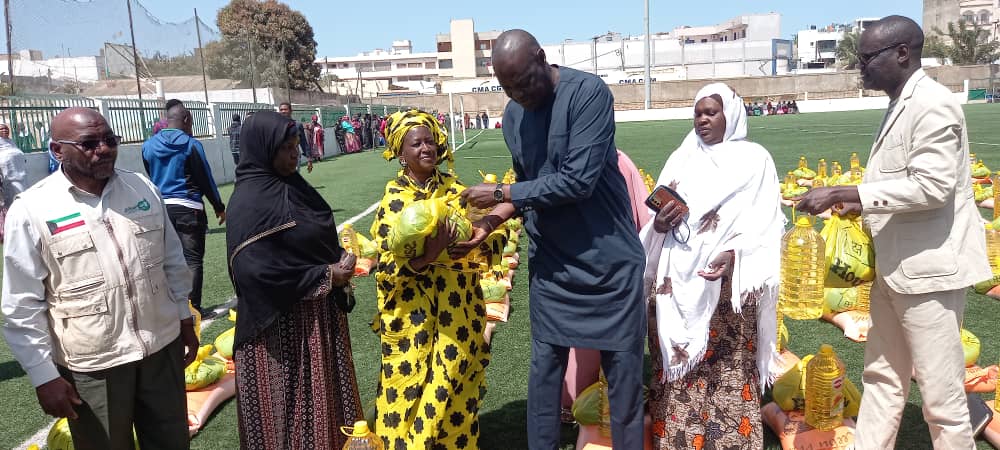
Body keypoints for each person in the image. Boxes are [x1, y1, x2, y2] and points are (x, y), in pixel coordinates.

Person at [795, 16, 990, 449]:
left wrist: (849, 191)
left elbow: (933, 186)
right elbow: (901, 183)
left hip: (929, 274)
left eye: (867, 58)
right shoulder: (902, 101)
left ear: (902, 53)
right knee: (882, 377)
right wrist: (856, 204)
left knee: (942, 397)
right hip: (895, 269)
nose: (860, 66)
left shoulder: (932, 103)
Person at [460, 29, 646, 449]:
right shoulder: (512, 116)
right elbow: (530, 187)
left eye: (525, 82)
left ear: (543, 58)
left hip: (608, 263)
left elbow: (577, 182)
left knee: (623, 384)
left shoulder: (588, 94)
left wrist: (498, 193)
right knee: (543, 374)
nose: (520, 94)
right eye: (509, 88)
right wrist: (489, 223)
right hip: (553, 266)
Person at [2, 107, 197, 449]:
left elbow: (171, 261)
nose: (103, 149)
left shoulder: (142, 188)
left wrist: (183, 316)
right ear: (57, 150)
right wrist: (43, 375)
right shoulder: (33, 209)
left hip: (160, 347)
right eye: (89, 143)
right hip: (94, 365)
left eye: (110, 140)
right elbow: (21, 304)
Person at [643, 83, 783, 449]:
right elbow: (654, 218)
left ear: (731, 116)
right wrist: (659, 224)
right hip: (677, 285)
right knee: (679, 372)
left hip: (729, 289)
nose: (702, 120)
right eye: (698, 113)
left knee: (728, 369)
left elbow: (767, 226)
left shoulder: (754, 161)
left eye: (711, 112)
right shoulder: (681, 159)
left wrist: (734, 256)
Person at [370, 109, 506, 450]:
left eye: (430, 141)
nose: (426, 148)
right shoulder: (393, 200)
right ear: (401, 153)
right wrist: (429, 255)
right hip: (410, 320)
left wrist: (474, 244)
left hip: (457, 313)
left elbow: (493, 239)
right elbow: (385, 270)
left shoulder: (458, 190)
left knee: (451, 387)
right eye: (416, 144)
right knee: (406, 389)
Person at [226, 111, 361, 449]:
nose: (294, 155)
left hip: (316, 323)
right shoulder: (251, 201)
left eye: (294, 146)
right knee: (283, 416)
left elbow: (313, 239)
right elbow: (253, 272)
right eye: (284, 148)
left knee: (322, 407)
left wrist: (335, 264)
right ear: (262, 150)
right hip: (274, 331)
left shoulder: (294, 188)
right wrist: (325, 274)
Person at [560, 148, 650, 422]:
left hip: (593, 263)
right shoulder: (616, 160)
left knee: (591, 337)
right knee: (599, 338)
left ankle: (581, 402)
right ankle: (596, 402)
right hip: (603, 264)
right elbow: (643, 217)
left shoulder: (615, 160)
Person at [142, 102, 227, 318]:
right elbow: (205, 178)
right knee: (192, 260)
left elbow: (151, 176)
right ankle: (193, 310)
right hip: (189, 208)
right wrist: (218, 206)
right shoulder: (191, 145)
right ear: (187, 120)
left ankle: (171, 309)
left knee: (167, 260)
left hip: (162, 209)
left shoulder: (149, 145)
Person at [278, 102, 313, 173]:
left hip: (293, 156)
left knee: (293, 177)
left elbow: (303, 142)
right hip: (279, 157)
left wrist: (309, 159)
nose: (283, 111)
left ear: (291, 111)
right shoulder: (276, 125)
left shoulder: (297, 125)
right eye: (281, 110)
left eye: (285, 109)